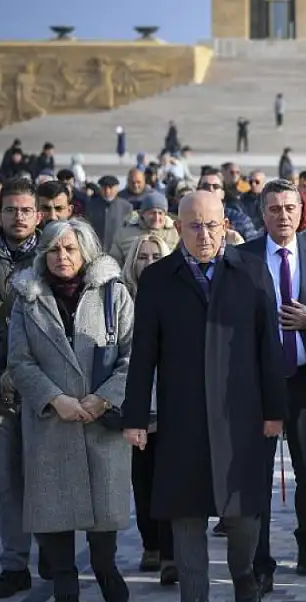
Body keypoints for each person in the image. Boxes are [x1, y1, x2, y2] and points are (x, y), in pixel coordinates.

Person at [122, 191, 288, 602]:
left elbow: (270, 346)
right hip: (183, 417)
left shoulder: (250, 272)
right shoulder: (159, 279)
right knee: (186, 514)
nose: (205, 234)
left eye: (213, 225)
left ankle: (244, 575)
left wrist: (275, 410)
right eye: (194, 225)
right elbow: (143, 354)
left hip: (242, 416)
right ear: (178, 228)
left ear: (226, 226)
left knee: (244, 514)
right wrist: (135, 416)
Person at [8, 219, 134, 602]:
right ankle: (65, 591)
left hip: (101, 420)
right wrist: (54, 399)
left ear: (86, 253)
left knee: (103, 509)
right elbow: (19, 361)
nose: (62, 257)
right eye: (54, 250)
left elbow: (135, 356)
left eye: (70, 249)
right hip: (51, 423)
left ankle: (105, 566)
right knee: (52, 512)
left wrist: (103, 398)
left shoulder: (114, 294)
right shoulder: (27, 299)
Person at [239, 179, 306, 587]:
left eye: (290, 207)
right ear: (261, 213)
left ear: (303, 212)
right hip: (258, 384)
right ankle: (260, 560)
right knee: (257, 475)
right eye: (274, 208)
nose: (283, 215)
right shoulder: (242, 258)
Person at [0, 178, 42, 599]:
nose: (18, 217)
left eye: (25, 210)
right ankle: (14, 564)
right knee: (6, 481)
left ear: (38, 215)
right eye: (11, 210)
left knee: (46, 478)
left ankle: (58, 564)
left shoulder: (58, 254)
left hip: (46, 391)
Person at [121, 233, 177, 584]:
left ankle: (171, 552)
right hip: (137, 402)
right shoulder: (119, 298)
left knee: (168, 477)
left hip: (171, 403)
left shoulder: (175, 293)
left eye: (156, 255)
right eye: (142, 256)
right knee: (142, 479)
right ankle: (150, 544)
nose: (149, 262)